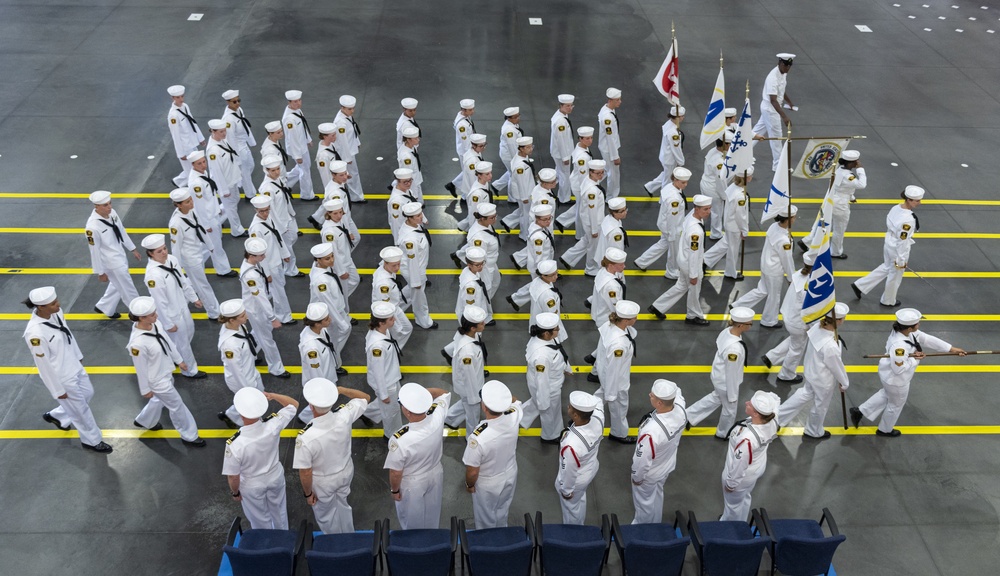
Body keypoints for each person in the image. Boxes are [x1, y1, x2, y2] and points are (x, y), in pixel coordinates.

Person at [23, 286, 112, 453]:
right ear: (41, 307)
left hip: (73, 365)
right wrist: (57, 390)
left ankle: (58, 415)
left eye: (56, 300)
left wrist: (78, 355)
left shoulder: (56, 313)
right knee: (81, 410)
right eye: (53, 303)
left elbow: (66, 334)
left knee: (88, 393)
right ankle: (92, 440)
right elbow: (43, 365)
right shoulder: (35, 334)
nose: (58, 304)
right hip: (62, 376)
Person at [852, 308, 965, 436]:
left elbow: (926, 338)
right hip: (896, 379)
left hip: (889, 376)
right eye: (917, 324)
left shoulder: (905, 332)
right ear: (910, 328)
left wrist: (952, 349)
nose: (919, 325)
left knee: (887, 394)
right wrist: (915, 359)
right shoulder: (899, 346)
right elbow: (899, 369)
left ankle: (860, 411)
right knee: (895, 404)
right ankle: (885, 429)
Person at [125, 296, 205, 446]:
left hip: (166, 370)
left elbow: (166, 341)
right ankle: (189, 435)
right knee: (176, 405)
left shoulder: (154, 324)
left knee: (160, 399)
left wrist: (179, 360)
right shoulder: (137, 344)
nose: (156, 315)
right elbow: (140, 369)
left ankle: (145, 420)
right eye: (152, 314)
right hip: (156, 380)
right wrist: (145, 389)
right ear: (141, 318)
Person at [294, 378, 371, 534]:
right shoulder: (344, 415)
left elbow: (306, 471)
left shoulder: (306, 437)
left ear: (311, 406)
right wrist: (341, 390)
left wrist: (308, 493)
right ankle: (349, 536)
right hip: (345, 471)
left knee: (326, 515)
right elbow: (365, 398)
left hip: (323, 481)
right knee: (343, 505)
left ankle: (334, 546)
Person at [223, 388, 299, 529]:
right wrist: (273, 395)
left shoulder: (235, 443)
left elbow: (233, 476)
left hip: (252, 484)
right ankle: (283, 540)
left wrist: (235, 492)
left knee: (259, 519)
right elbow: (293, 404)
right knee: (280, 512)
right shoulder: (273, 424)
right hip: (275, 475)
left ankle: (266, 545)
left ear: (241, 414)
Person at [778, 303, 850, 440]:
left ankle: (777, 417)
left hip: (812, 372)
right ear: (839, 321)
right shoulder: (830, 346)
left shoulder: (817, 327)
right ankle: (813, 430)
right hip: (823, 380)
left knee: (803, 395)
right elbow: (836, 367)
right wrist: (844, 382)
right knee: (820, 405)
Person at [385, 383, 452, 530]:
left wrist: (395, 490)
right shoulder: (437, 415)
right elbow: (443, 393)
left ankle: (415, 550)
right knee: (432, 516)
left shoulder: (400, 439)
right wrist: (422, 396)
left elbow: (396, 472)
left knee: (412, 522)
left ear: (408, 411)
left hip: (412, 483)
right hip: (435, 473)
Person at [141, 233, 204, 378]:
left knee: (190, 332)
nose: (164, 252)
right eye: (159, 251)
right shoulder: (153, 275)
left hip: (182, 305)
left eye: (164, 248)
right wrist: (168, 323)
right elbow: (159, 302)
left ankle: (173, 355)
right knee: (183, 343)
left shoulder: (172, 260)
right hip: (171, 313)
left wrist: (194, 298)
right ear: (150, 254)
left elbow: (183, 280)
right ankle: (190, 370)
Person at [686, 307, 755, 438]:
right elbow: (731, 373)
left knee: (715, 398)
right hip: (726, 382)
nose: (751, 326)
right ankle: (724, 433)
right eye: (749, 324)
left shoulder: (727, 331)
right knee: (730, 410)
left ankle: (688, 416)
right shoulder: (734, 349)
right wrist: (732, 394)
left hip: (718, 376)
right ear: (740, 325)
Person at [464, 380, 522, 529]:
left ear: (484, 406)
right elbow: (516, 401)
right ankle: (501, 537)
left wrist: (469, 484)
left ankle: (488, 547)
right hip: (510, 473)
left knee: (485, 519)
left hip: (488, 482)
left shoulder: (478, 437)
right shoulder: (514, 416)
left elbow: (472, 470)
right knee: (502, 510)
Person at [852, 186, 924, 307]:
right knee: (895, 275)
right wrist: (901, 260)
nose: (919, 203)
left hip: (889, 241)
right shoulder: (908, 220)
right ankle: (888, 300)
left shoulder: (896, 207)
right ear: (909, 200)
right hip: (898, 247)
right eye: (917, 200)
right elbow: (903, 241)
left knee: (887, 267)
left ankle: (860, 285)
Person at [648, 194, 713, 325]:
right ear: (696, 209)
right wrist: (694, 274)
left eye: (709, 208)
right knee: (694, 291)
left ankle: (657, 306)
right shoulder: (696, 232)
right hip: (691, 265)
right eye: (705, 209)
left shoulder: (691, 218)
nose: (709, 212)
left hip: (683, 261)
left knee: (681, 286)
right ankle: (693, 315)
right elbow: (693, 255)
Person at [730, 205, 798, 328]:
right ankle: (769, 320)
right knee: (774, 296)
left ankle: (738, 305)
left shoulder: (773, 227)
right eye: (793, 217)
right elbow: (787, 260)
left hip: (766, 265)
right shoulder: (784, 240)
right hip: (775, 271)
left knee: (762, 290)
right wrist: (791, 278)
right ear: (788, 220)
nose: (795, 219)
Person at [631, 379, 687, 524]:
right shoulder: (680, 409)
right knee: (657, 495)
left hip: (650, 473)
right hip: (666, 465)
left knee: (644, 504)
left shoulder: (651, 431)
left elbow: (642, 459)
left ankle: (643, 530)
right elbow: (678, 391)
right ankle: (656, 522)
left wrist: (637, 478)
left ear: (659, 403)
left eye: (653, 396)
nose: (650, 395)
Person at [721, 391, 781, 521]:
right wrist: (766, 399)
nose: (746, 403)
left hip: (742, 475)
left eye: (751, 405)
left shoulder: (747, 439)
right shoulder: (773, 417)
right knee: (745, 496)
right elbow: (775, 398)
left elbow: (740, 463)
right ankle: (742, 520)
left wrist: (731, 483)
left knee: (732, 506)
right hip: (756, 468)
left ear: (755, 414)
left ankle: (729, 527)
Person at [238, 238, 290, 378]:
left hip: (257, 307)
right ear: (251, 255)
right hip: (257, 309)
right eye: (261, 255)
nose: (264, 257)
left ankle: (250, 353)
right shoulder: (250, 275)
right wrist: (272, 318)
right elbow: (259, 297)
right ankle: (276, 368)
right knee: (267, 340)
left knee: (259, 333)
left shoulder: (253, 264)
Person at [168, 188, 221, 320]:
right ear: (178, 205)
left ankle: (183, 299)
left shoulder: (191, 211)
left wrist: (210, 245)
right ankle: (214, 312)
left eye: (190, 199)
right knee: (202, 285)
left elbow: (200, 227)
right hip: (190, 258)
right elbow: (176, 247)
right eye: (187, 202)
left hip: (198, 251)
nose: (191, 203)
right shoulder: (176, 224)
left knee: (195, 282)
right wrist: (177, 267)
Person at [86, 190, 141, 318]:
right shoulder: (92, 227)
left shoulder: (112, 213)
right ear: (97, 207)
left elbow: (121, 231)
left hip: (120, 255)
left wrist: (132, 249)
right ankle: (139, 312)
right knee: (128, 287)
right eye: (105, 205)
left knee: (117, 284)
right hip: (111, 262)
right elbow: (94, 252)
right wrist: (100, 272)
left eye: (110, 203)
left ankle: (105, 306)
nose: (109, 207)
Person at [802, 150, 866, 258]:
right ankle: (836, 252)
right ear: (850, 163)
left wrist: (851, 196)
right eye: (856, 161)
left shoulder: (838, 170)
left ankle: (807, 241)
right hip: (840, 204)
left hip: (830, 198)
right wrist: (861, 169)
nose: (858, 163)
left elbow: (842, 187)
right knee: (839, 228)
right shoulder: (849, 176)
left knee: (822, 223)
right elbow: (861, 185)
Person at [762, 252, 814, 383]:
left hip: (789, 316)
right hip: (799, 322)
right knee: (797, 349)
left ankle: (771, 357)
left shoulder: (798, 275)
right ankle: (786, 374)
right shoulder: (811, 284)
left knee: (794, 340)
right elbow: (809, 308)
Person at [592, 300, 639, 443]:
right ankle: (619, 433)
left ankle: (584, 412)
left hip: (605, 371)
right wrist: (612, 393)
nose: (636, 319)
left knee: (599, 397)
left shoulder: (609, 325)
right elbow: (614, 369)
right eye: (634, 318)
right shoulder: (618, 344)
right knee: (619, 407)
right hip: (617, 381)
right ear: (625, 320)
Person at [556, 391, 604, 524]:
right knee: (579, 499)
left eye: (570, 407)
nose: (568, 407)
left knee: (571, 510)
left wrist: (566, 491)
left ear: (576, 415)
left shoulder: (571, 444)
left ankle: (574, 536)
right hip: (589, 468)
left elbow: (569, 470)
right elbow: (599, 402)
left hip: (576, 479)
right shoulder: (598, 419)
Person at [520, 312, 570, 444]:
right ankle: (550, 436)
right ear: (547, 333)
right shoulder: (541, 356)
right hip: (548, 387)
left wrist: (566, 367)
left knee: (547, 407)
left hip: (553, 381)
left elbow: (558, 351)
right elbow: (541, 382)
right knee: (549, 412)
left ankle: (519, 417)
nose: (558, 330)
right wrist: (544, 402)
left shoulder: (546, 338)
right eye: (556, 329)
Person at [634, 167, 691, 279]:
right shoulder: (674, 198)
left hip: (665, 224)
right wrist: (672, 233)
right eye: (683, 182)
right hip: (672, 228)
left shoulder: (670, 187)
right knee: (674, 251)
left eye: (686, 182)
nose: (686, 185)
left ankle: (642, 261)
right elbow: (672, 218)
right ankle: (672, 271)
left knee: (663, 244)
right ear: (675, 180)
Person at [217, 298, 265, 428]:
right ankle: (255, 426)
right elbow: (236, 370)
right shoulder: (229, 345)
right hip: (241, 379)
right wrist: (246, 389)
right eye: (243, 316)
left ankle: (230, 414)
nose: (246, 317)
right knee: (251, 404)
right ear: (232, 320)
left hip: (250, 370)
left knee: (260, 395)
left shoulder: (239, 326)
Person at [248, 194, 294, 324]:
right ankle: (284, 316)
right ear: (256, 211)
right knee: (278, 291)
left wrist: (285, 253)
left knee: (279, 287)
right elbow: (257, 254)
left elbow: (277, 236)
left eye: (267, 209)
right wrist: (266, 273)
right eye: (262, 211)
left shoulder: (269, 218)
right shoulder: (256, 229)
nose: (265, 213)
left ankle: (273, 311)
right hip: (269, 264)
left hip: (277, 259)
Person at [186, 150, 234, 275]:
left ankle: (194, 265)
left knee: (208, 245)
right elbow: (199, 206)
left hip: (213, 213)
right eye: (199, 163)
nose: (203, 165)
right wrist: (206, 225)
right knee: (216, 246)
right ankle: (223, 270)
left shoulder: (202, 173)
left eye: (204, 161)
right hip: (208, 218)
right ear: (193, 165)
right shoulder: (196, 183)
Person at [444, 306, 489, 435]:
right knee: (473, 415)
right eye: (481, 323)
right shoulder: (467, 352)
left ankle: (449, 418)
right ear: (472, 328)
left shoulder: (468, 334)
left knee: (465, 404)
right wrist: (475, 397)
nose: (484, 324)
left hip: (475, 381)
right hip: (470, 388)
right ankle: (472, 437)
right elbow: (469, 377)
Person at [298, 303, 345, 424]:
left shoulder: (319, 330)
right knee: (320, 401)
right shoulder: (311, 348)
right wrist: (323, 388)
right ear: (317, 323)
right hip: (320, 378)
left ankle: (306, 416)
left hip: (327, 372)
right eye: (326, 319)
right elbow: (315, 372)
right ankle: (307, 418)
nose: (330, 320)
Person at [559, 159, 606, 275]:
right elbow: (592, 211)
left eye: (602, 172)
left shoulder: (589, 180)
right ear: (590, 172)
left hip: (589, 220)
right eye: (597, 173)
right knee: (593, 247)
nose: (600, 175)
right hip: (593, 222)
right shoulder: (592, 191)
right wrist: (595, 229)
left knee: (586, 240)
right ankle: (590, 268)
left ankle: (568, 258)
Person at [257, 154, 301, 278]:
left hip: (287, 216)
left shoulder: (278, 179)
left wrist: (291, 214)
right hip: (280, 222)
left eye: (278, 169)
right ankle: (291, 269)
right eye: (273, 170)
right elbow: (270, 211)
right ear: (266, 171)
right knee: (288, 247)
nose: (276, 172)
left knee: (294, 238)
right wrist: (280, 228)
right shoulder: (266, 188)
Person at [704, 167, 752, 279]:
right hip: (735, 226)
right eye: (750, 175)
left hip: (728, 222)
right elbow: (741, 216)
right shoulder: (741, 195)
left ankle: (705, 259)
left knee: (725, 244)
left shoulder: (732, 187)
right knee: (733, 250)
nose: (751, 177)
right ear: (746, 178)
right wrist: (744, 230)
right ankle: (730, 272)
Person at [752, 53, 796, 171]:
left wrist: (789, 102)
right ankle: (779, 166)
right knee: (776, 137)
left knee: (757, 131)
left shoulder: (782, 73)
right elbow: (773, 100)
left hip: (770, 108)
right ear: (780, 63)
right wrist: (784, 117)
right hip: (771, 109)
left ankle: (741, 150)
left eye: (789, 66)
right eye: (786, 66)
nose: (788, 68)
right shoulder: (773, 77)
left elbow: (781, 90)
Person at [398, 202, 437, 330]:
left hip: (419, 266)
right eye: (417, 216)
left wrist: (423, 219)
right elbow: (412, 262)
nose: (420, 217)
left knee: (410, 292)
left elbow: (420, 216)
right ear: (409, 218)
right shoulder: (410, 239)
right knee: (419, 297)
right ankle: (423, 321)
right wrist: (416, 281)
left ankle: (394, 308)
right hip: (414, 269)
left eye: (421, 214)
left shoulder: (413, 224)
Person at [205, 118, 247, 238]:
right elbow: (217, 173)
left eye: (224, 130)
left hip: (231, 179)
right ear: (213, 131)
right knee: (231, 207)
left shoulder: (221, 141)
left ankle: (216, 219)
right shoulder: (213, 151)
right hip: (226, 184)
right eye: (221, 131)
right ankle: (237, 230)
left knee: (234, 201)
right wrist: (224, 191)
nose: (224, 133)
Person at [367, 302, 404, 437]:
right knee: (391, 412)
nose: (394, 320)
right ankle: (391, 435)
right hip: (387, 383)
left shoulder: (382, 331)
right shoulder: (378, 346)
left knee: (392, 405)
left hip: (392, 376)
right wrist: (383, 394)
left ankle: (367, 413)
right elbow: (378, 371)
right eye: (391, 319)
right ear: (381, 323)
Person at [508, 205, 556, 310]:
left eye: (549, 218)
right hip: (540, 267)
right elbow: (538, 256)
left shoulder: (537, 227)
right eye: (545, 219)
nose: (548, 222)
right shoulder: (538, 237)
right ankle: (516, 298)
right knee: (540, 287)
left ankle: (515, 299)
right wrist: (544, 271)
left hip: (543, 265)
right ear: (537, 219)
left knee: (536, 285)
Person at [308, 243, 352, 352]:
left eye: (332, 256)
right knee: (333, 339)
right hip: (329, 315)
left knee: (334, 338)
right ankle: (334, 362)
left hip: (337, 309)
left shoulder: (321, 267)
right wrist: (341, 323)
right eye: (327, 258)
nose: (332, 260)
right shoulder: (321, 281)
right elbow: (328, 303)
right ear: (318, 260)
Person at [371, 246, 414, 349]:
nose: (397, 268)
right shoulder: (383, 283)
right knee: (398, 331)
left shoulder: (386, 270)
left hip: (395, 307)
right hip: (388, 311)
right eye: (394, 265)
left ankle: (395, 348)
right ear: (385, 263)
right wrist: (394, 322)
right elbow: (384, 305)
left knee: (407, 328)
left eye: (398, 264)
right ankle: (393, 349)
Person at [457, 202, 502, 299]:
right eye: (492, 218)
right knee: (485, 291)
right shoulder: (479, 238)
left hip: (492, 263)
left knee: (496, 282)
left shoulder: (486, 225)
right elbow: (478, 258)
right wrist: (482, 274)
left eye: (495, 216)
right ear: (482, 218)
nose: (495, 219)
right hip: (485, 267)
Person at [221, 89, 258, 199]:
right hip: (238, 147)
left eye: (238, 100)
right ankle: (250, 194)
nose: (237, 103)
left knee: (251, 166)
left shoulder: (238, 110)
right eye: (234, 102)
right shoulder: (228, 119)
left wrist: (251, 141)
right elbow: (230, 139)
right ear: (228, 102)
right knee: (245, 171)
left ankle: (240, 181)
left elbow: (244, 124)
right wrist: (236, 156)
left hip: (244, 144)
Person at [320, 199, 360, 299]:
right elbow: (333, 253)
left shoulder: (338, 221)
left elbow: (343, 224)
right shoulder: (329, 232)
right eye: (335, 213)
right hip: (340, 263)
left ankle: (338, 299)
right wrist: (341, 271)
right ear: (328, 214)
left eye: (341, 212)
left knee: (355, 280)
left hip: (347, 259)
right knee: (343, 290)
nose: (339, 216)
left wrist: (349, 232)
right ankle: (343, 310)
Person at [166, 85, 204, 187]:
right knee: (191, 171)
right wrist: (180, 153)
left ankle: (178, 181)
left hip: (192, 143)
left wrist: (200, 138)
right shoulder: (173, 116)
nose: (181, 99)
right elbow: (176, 135)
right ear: (173, 98)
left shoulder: (185, 107)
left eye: (182, 96)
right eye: (178, 97)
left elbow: (193, 123)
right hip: (184, 147)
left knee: (193, 168)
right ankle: (190, 189)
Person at [643, 105, 685, 197]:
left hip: (665, 156)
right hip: (670, 159)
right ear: (677, 117)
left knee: (666, 174)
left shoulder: (669, 124)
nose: (683, 118)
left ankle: (650, 186)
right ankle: (664, 199)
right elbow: (676, 149)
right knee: (668, 181)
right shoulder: (674, 133)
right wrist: (681, 162)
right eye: (682, 116)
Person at [282, 89, 315, 200]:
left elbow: (303, 127)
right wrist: (297, 156)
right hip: (297, 149)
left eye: (299, 100)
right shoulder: (289, 119)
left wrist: (308, 139)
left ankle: (285, 182)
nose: (299, 103)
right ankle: (307, 195)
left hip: (302, 145)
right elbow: (292, 139)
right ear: (289, 102)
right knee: (304, 171)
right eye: (295, 101)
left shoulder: (297, 111)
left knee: (304, 167)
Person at [501, 137, 536, 239]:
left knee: (523, 210)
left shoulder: (522, 157)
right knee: (526, 215)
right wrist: (524, 197)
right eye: (528, 147)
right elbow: (521, 183)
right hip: (524, 193)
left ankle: (507, 221)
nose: (531, 149)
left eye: (531, 146)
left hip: (527, 189)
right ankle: (524, 235)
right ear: (521, 149)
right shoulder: (520, 166)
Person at [334, 95, 365, 203]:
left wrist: (357, 142)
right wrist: (347, 158)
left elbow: (352, 131)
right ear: (342, 108)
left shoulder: (346, 116)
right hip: (346, 153)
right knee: (352, 175)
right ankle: (356, 197)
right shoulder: (340, 123)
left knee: (350, 175)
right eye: (349, 109)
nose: (352, 111)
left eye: (353, 108)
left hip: (350, 150)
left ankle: (354, 195)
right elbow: (343, 143)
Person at [528, 260, 566, 341]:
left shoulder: (537, 281)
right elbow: (552, 315)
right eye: (552, 275)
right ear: (544, 275)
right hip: (547, 329)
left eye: (556, 272)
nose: (556, 276)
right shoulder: (547, 295)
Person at [590, 247, 627, 329]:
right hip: (609, 321)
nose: (624, 266)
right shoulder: (611, 286)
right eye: (621, 264)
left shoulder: (603, 271)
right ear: (611, 265)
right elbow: (615, 305)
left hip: (600, 315)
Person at [700, 135, 728, 240]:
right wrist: (724, 196)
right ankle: (716, 233)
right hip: (713, 188)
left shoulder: (713, 151)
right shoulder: (719, 162)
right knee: (717, 211)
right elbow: (720, 180)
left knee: (704, 206)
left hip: (705, 182)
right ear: (725, 144)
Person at [446, 99, 475, 197]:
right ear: (464, 110)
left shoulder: (465, 116)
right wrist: (470, 154)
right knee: (468, 172)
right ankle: (464, 195)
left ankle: (454, 186)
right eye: (470, 110)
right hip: (465, 151)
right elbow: (465, 142)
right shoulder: (462, 125)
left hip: (469, 148)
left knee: (467, 171)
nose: (473, 111)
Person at [458, 161, 498, 232]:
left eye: (490, 173)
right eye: (487, 174)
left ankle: (462, 226)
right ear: (479, 175)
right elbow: (474, 213)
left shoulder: (484, 183)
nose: (490, 176)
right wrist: (474, 230)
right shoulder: (476, 194)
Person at [598, 87, 623, 199]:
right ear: (610, 100)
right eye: (617, 100)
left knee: (609, 171)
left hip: (607, 147)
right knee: (613, 174)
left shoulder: (607, 109)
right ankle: (611, 197)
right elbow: (610, 138)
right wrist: (615, 156)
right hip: (609, 149)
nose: (620, 102)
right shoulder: (607, 117)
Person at [550, 94, 576, 201]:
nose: (570, 108)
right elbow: (561, 141)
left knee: (559, 171)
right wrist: (565, 157)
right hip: (562, 153)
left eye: (571, 106)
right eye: (567, 106)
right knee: (565, 175)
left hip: (559, 151)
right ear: (560, 106)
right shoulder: (561, 122)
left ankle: (546, 182)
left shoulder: (561, 115)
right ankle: (564, 198)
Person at [593, 197, 629, 270]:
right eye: (622, 211)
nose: (625, 212)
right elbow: (616, 250)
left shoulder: (608, 218)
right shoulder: (616, 232)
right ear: (614, 213)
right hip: (610, 264)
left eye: (625, 209)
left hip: (602, 256)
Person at [388, 168, 420, 242]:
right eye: (405, 182)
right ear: (398, 182)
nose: (409, 184)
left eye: (410, 180)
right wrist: (398, 241)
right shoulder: (396, 202)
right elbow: (396, 224)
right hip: (406, 235)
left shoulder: (407, 190)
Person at [495, 107, 523, 191]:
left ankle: (496, 186)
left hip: (510, 153)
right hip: (510, 156)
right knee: (514, 176)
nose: (518, 118)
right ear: (509, 118)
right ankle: (512, 198)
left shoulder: (513, 124)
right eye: (515, 117)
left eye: (518, 116)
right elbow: (512, 147)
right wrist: (517, 160)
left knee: (512, 173)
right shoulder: (509, 131)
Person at [397, 127, 424, 202]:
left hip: (417, 177)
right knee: (415, 200)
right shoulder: (406, 157)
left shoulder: (411, 146)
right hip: (412, 181)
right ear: (408, 140)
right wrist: (413, 194)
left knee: (420, 197)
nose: (418, 140)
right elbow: (407, 174)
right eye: (415, 138)